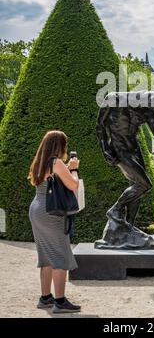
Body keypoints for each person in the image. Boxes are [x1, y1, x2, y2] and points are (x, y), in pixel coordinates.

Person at [96, 91, 154, 227]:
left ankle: (129, 225)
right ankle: (115, 209)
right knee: (144, 184)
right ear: (148, 98)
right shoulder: (114, 99)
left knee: (136, 187)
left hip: (135, 150)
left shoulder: (149, 113)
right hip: (119, 149)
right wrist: (105, 148)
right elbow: (99, 125)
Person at [28, 130, 81, 314]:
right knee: (60, 256)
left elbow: (53, 178)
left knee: (45, 256)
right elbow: (73, 184)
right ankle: (60, 301)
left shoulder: (40, 161)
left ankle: (45, 298)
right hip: (51, 213)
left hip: (37, 209)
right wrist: (73, 168)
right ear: (60, 146)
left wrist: (66, 167)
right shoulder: (56, 162)